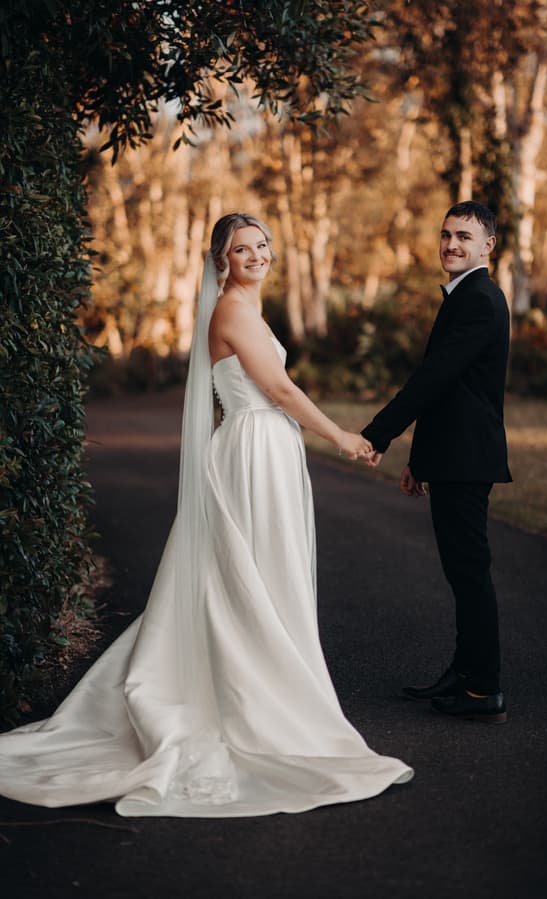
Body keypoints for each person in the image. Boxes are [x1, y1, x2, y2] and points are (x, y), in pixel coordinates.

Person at [0, 212, 413, 816]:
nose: (257, 255)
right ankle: (263, 698)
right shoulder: (232, 312)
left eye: (262, 245)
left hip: (262, 445)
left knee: (261, 569)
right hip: (255, 447)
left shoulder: (246, 310)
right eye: (242, 249)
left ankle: (272, 681)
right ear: (222, 260)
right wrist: (342, 437)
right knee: (253, 572)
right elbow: (280, 390)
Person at [362, 201, 511, 724]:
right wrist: (420, 460)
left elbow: (432, 379)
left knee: (469, 574)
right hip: (452, 454)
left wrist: (378, 434)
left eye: (464, 237)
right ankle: (465, 672)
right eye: (447, 234)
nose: (451, 244)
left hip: (467, 458)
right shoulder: (465, 295)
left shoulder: (479, 299)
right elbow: (448, 389)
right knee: (461, 572)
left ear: (488, 245)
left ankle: (484, 690)